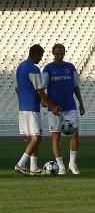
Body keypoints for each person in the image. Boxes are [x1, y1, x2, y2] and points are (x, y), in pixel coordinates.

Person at [14, 44, 61, 176]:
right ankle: (21, 164)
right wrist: (52, 105)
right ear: (35, 54)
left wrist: (26, 100)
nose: (40, 59)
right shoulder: (33, 68)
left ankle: (34, 167)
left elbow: (18, 89)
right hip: (31, 108)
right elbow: (39, 90)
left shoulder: (20, 67)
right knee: (37, 138)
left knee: (33, 137)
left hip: (23, 107)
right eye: (40, 56)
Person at [42, 44, 86, 175]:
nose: (60, 56)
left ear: (65, 53)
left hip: (70, 107)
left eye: (62, 53)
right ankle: (61, 166)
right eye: (57, 54)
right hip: (54, 108)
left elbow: (76, 87)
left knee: (75, 133)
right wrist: (46, 103)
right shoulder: (48, 69)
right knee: (56, 136)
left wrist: (81, 104)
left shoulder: (70, 67)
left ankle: (72, 164)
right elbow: (42, 88)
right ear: (53, 54)